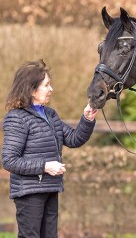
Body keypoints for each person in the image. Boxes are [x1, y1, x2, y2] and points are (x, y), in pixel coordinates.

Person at [1, 60, 98, 238]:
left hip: (50, 188)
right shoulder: (17, 118)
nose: (51, 89)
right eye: (46, 85)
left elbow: (75, 139)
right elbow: (9, 160)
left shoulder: (50, 114)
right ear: (31, 90)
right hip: (29, 193)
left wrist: (87, 119)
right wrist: (45, 166)